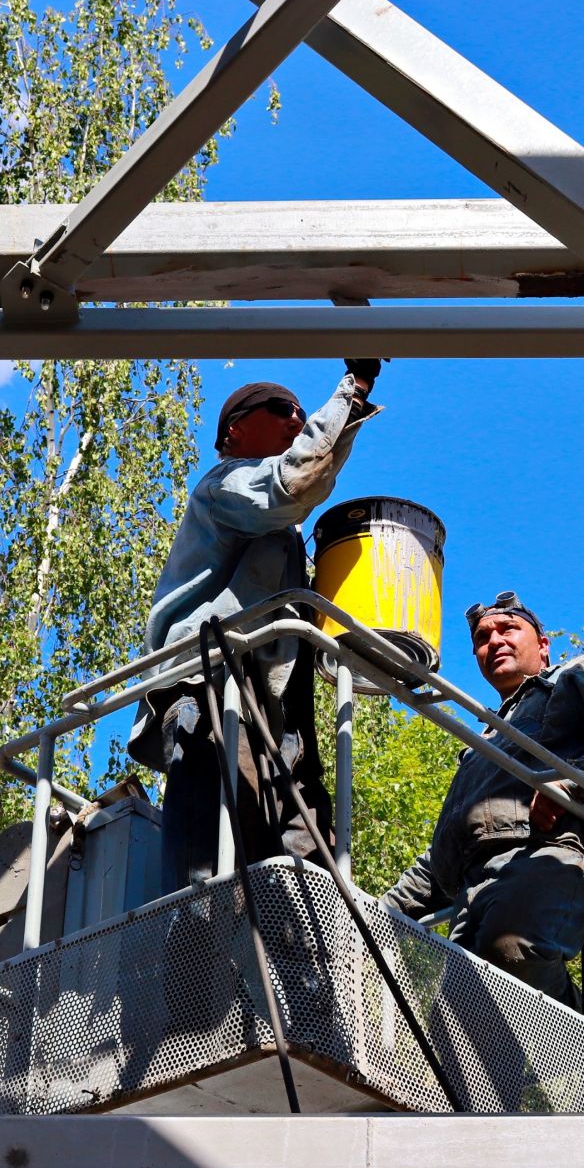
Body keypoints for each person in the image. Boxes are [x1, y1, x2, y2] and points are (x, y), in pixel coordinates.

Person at [129, 360, 383, 895]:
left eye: (300, 411)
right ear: (234, 431)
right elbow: (294, 482)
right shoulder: (226, 488)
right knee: (215, 868)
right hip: (211, 685)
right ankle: (195, 963)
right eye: (281, 409)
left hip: (274, 711)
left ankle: (299, 969)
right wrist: (349, 392)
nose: (296, 418)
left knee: (306, 870)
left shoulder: (281, 539)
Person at [381, 591, 584, 1008]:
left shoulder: (578, 675)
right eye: (482, 637)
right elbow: (448, 846)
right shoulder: (481, 746)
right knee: (454, 1020)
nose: (494, 641)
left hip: (545, 857)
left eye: (508, 629)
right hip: (470, 890)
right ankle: (537, 1072)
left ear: (543, 645)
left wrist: (572, 785)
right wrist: (377, 910)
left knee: (512, 949)